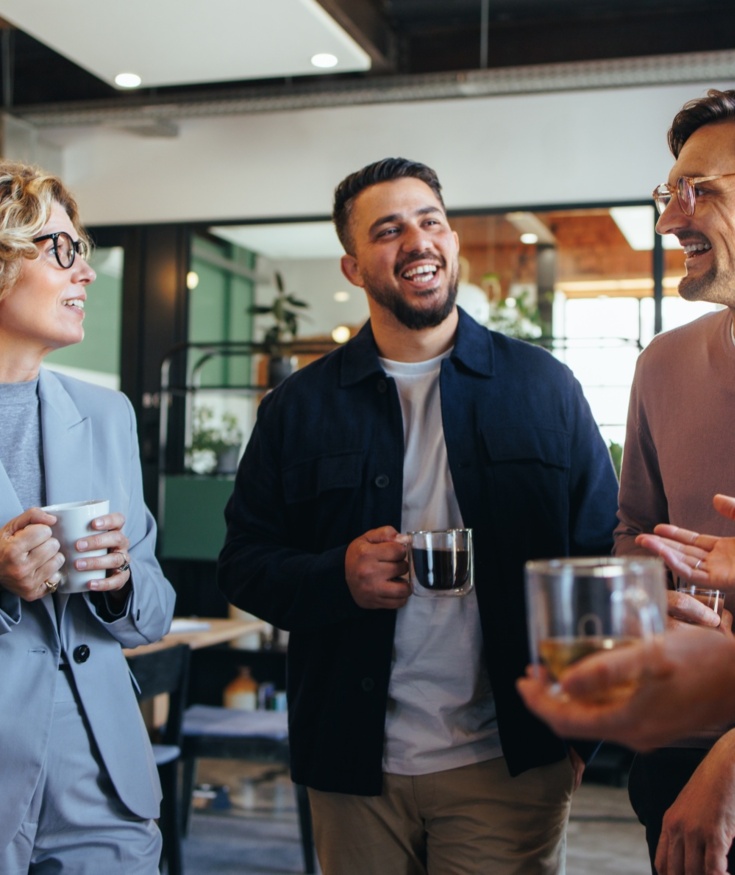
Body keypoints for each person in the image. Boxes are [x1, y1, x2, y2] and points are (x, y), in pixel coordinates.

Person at [217, 157, 619, 875]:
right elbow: (245, 562)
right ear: (351, 265)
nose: (417, 241)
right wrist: (336, 574)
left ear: (453, 241)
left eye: (430, 221)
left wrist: (578, 735)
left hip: (509, 761)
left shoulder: (543, 388)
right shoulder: (295, 408)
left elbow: (600, 556)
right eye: (388, 230)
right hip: (352, 764)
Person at [0, 162, 176, 874]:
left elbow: (154, 612)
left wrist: (119, 583)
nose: (88, 274)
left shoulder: (106, 414)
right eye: (62, 250)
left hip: (104, 790)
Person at [613, 88, 735, 875]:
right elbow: (632, 530)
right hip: (673, 749)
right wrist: (646, 590)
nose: (668, 219)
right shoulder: (660, 362)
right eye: (669, 193)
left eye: (700, 191)